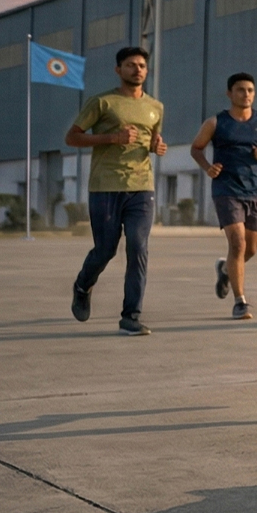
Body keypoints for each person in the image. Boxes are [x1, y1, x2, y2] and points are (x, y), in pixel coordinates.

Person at [66, 46, 166, 336]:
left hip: (141, 187)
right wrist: (113, 137)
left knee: (138, 247)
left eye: (142, 65)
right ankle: (83, 285)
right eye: (131, 65)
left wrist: (157, 147)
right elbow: (72, 137)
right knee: (106, 249)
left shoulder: (155, 107)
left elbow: (152, 141)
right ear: (118, 70)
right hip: (105, 187)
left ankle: (130, 316)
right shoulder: (102, 103)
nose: (137, 69)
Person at [189, 72, 257, 320]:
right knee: (238, 243)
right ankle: (240, 301)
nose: (246, 94)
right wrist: (207, 167)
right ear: (230, 93)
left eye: (250, 90)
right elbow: (196, 148)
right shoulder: (216, 123)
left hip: (255, 190)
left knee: (250, 248)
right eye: (241, 90)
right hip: (226, 190)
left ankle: (224, 269)